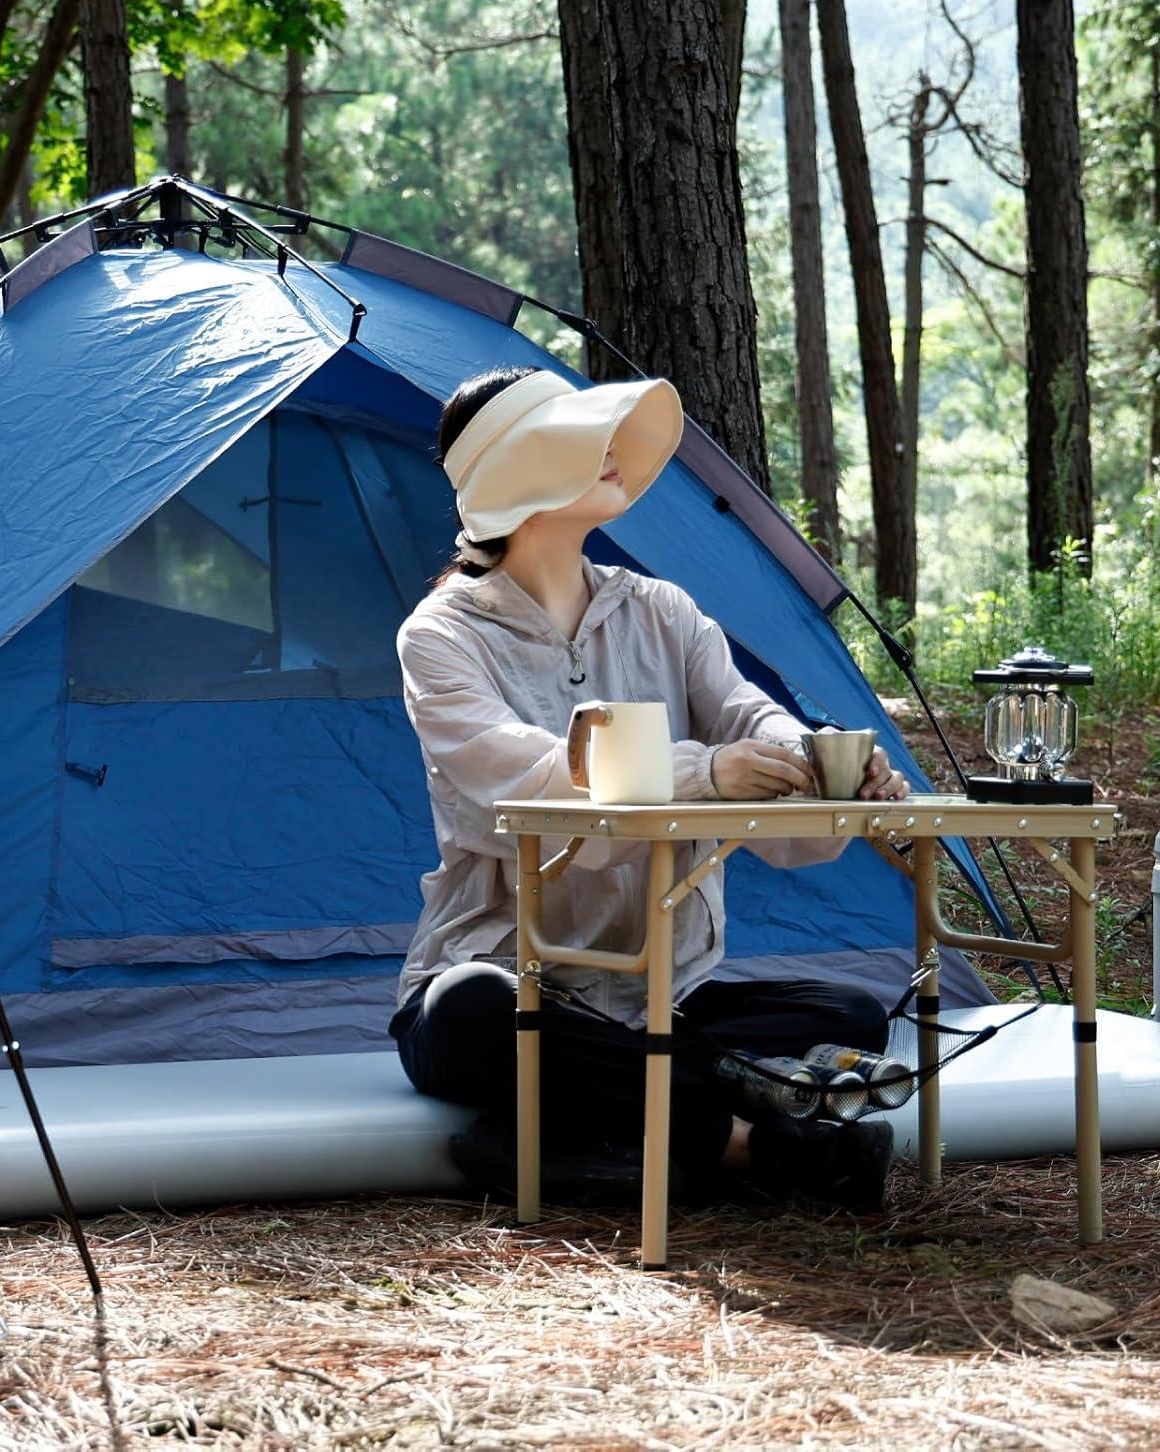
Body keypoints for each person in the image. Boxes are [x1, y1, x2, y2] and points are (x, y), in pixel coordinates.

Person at [391, 364, 912, 1210]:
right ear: (519, 471)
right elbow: (529, 773)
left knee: (849, 1013)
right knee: (471, 1014)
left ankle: (563, 1147)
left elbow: (750, 715)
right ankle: (748, 1145)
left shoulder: (663, 610)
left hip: (661, 998)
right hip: (511, 983)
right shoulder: (442, 636)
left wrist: (814, 761)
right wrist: (707, 772)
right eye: (578, 439)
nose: (610, 451)